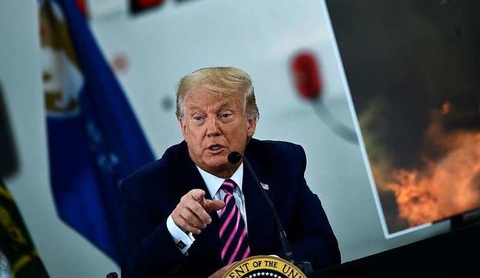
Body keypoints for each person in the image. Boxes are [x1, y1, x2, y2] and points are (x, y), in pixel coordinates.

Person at [118, 66, 341, 277]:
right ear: (184, 128)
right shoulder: (145, 187)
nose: (212, 129)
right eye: (199, 118)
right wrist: (176, 228)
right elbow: (135, 274)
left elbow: (324, 246)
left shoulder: (282, 162)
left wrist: (260, 271)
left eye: (224, 115)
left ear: (250, 123)